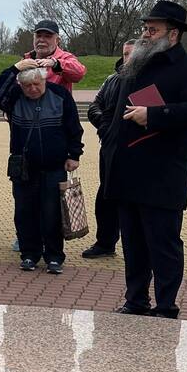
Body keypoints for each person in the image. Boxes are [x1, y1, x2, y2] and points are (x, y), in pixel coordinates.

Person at [101, 1, 187, 318]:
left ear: (173, 34)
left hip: (162, 173)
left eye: (153, 29)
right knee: (133, 244)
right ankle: (136, 300)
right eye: (145, 28)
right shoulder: (134, 65)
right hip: (126, 171)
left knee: (162, 244)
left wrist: (153, 115)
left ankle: (166, 305)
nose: (145, 35)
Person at [0, 58, 83, 273]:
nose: (33, 89)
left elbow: (74, 127)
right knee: (25, 212)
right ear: (20, 85)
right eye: (27, 86)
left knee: (52, 213)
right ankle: (29, 254)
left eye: (37, 85)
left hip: (54, 166)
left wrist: (74, 154)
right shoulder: (13, 99)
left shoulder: (60, 95)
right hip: (24, 168)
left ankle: (54, 256)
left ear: (44, 80)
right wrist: (14, 68)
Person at [82, 41, 133, 258]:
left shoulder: (146, 81)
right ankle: (105, 242)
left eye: (132, 54)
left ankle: (134, 246)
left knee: (131, 200)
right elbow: (95, 105)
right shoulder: (111, 80)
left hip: (134, 148)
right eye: (125, 54)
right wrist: (104, 125)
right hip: (109, 146)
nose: (128, 58)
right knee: (106, 194)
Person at [21, 19, 86, 92]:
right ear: (33, 39)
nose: (42, 40)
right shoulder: (26, 59)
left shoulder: (65, 57)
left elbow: (79, 74)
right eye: (38, 36)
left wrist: (55, 64)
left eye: (47, 36)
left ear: (57, 40)